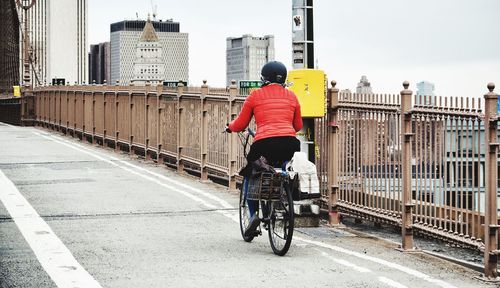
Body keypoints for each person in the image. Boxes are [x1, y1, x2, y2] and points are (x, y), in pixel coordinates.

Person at [225, 61, 303, 237]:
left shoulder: (255, 96)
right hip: (289, 143)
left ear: (263, 78)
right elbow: (297, 125)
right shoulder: (292, 96)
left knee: (251, 175)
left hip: (264, 144)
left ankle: (253, 216)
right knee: (285, 167)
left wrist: (230, 127)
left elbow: (241, 123)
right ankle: (284, 196)